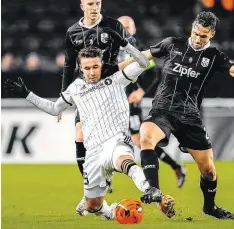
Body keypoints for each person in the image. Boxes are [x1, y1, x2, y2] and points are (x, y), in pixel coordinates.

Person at [4, 30, 175, 219]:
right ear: (80, 68)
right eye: (87, 68)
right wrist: (27, 94)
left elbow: (143, 62)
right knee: (93, 206)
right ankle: (113, 211)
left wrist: (126, 45)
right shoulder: (75, 88)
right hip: (92, 152)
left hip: (116, 140)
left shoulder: (116, 79)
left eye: (95, 66)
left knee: (125, 162)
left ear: (101, 64)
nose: (92, 72)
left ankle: (151, 190)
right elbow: (54, 109)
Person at [127, 11, 234, 219]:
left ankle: (210, 207)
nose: (198, 39)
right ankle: (153, 189)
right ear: (192, 27)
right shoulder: (172, 44)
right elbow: (141, 57)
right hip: (162, 110)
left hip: (189, 116)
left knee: (209, 171)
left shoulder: (214, 56)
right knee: (145, 135)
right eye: (195, 33)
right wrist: (112, 70)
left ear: (212, 34)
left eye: (203, 36)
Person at [57, 0, 135, 212]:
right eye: (90, 3)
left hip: (110, 90)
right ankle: (90, 192)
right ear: (82, 5)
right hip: (86, 92)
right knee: (80, 135)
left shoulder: (113, 25)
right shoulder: (72, 32)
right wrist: (64, 95)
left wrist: (130, 68)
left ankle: (104, 181)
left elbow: (134, 48)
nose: (95, 7)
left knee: (108, 141)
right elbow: (68, 64)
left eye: (98, 3)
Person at [117, 16, 186, 188]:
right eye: (121, 27)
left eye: (128, 27)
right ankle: (104, 178)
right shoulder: (108, 46)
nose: (125, 30)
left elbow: (153, 73)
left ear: (133, 29)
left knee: (139, 140)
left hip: (129, 99)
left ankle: (175, 166)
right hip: (111, 99)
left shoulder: (138, 47)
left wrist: (140, 91)